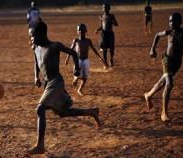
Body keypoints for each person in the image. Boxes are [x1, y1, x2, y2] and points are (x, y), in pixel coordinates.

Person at [29, 21, 101, 154]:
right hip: (47, 84)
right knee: (62, 113)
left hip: (56, 82)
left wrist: (77, 69)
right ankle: (92, 112)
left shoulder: (54, 46)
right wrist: (36, 77)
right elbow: (36, 62)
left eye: (32, 36)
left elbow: (73, 53)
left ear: (41, 34)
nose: (31, 39)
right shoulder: (36, 48)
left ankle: (40, 146)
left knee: (40, 109)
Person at [144, 13, 183, 122]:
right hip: (167, 60)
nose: (171, 23)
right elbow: (157, 35)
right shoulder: (169, 32)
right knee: (169, 83)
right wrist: (152, 49)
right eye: (170, 21)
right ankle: (164, 113)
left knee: (163, 82)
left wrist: (182, 43)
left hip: (177, 63)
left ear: (180, 22)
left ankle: (148, 95)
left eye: (174, 21)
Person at [65, 24, 105, 96]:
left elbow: (93, 49)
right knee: (77, 74)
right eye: (79, 30)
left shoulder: (88, 41)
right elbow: (70, 50)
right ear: (77, 31)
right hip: (78, 60)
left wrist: (99, 57)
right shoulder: (76, 40)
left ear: (86, 31)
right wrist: (67, 58)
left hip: (86, 60)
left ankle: (79, 89)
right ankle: (76, 79)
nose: (81, 32)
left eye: (83, 30)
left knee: (85, 77)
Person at [96, 3, 118, 70]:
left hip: (110, 33)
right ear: (102, 9)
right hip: (104, 34)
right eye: (104, 8)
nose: (105, 9)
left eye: (106, 8)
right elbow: (102, 26)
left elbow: (116, 24)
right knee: (104, 49)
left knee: (111, 49)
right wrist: (97, 29)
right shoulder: (102, 16)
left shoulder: (112, 16)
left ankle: (111, 59)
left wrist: (111, 21)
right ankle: (105, 64)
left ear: (109, 8)